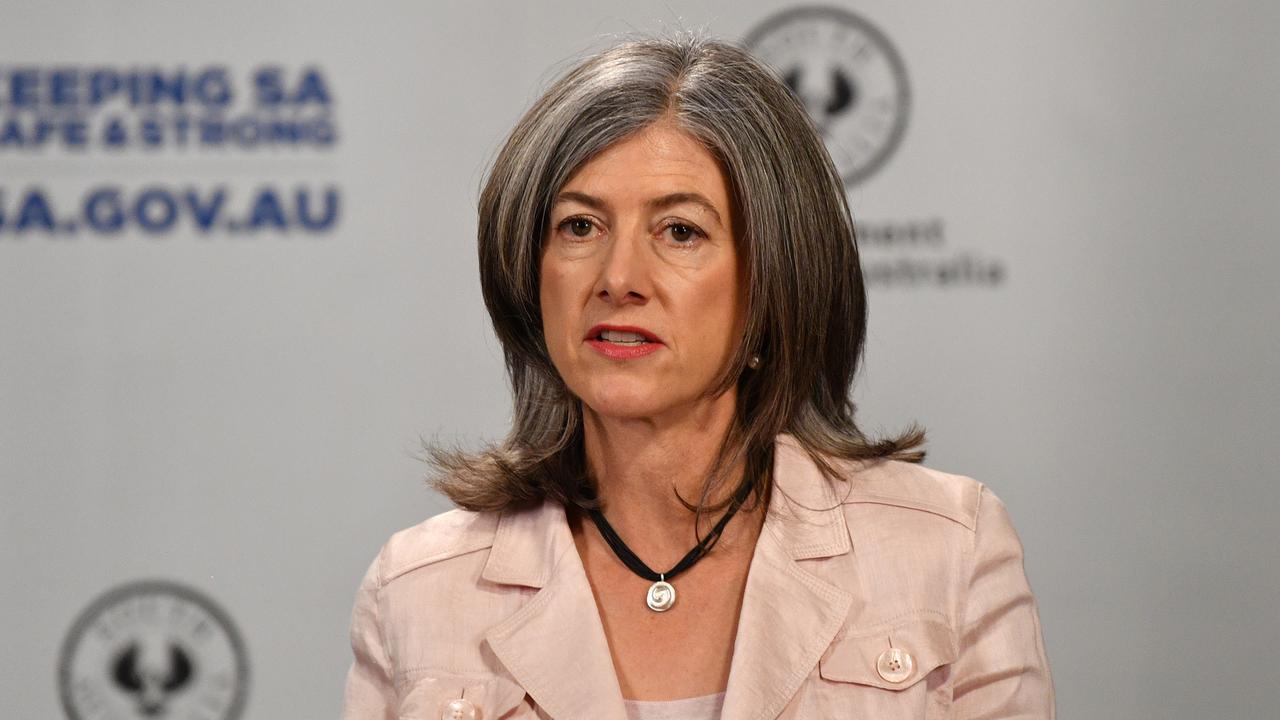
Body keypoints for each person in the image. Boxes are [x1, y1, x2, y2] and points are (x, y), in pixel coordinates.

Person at [342, 34, 1054, 720]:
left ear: (773, 279)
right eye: (580, 227)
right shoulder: (419, 589)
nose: (619, 279)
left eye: (680, 231)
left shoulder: (948, 550)